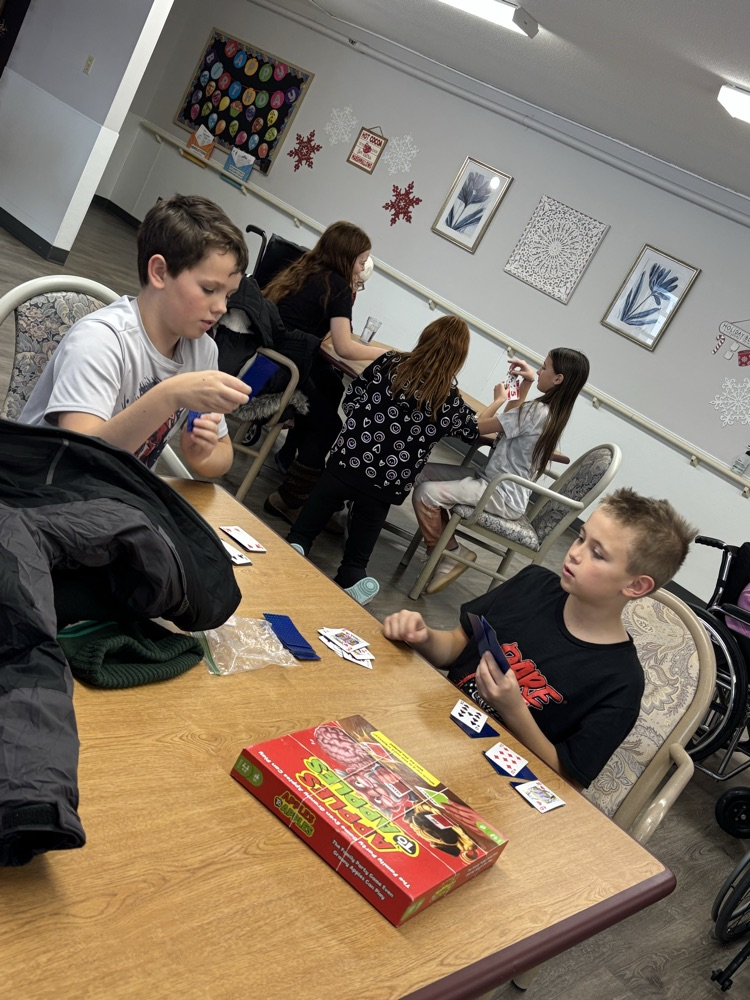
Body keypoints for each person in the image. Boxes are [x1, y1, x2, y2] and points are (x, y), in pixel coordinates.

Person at [384, 488, 697, 789]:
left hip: (492, 785)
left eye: (597, 554)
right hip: (433, 731)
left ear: (636, 586)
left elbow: (568, 780)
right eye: (580, 537)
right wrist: (423, 638)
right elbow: (455, 648)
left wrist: (514, 710)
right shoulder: (531, 584)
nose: (574, 554)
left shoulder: (620, 683)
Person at [19, 194, 251, 477]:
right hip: (40, 490)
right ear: (159, 272)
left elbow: (222, 453)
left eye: (229, 295)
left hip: (113, 498)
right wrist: (171, 394)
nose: (221, 307)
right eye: (208, 289)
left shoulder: (203, 351)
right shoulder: (100, 340)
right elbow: (82, 457)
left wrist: (201, 453)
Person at [286, 316, 503, 605]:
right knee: (358, 555)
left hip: (346, 463)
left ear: (425, 337)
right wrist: (502, 401)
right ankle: (353, 577)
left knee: (304, 529)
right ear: (458, 357)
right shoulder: (446, 398)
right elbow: (474, 429)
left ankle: (295, 548)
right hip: (385, 483)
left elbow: (352, 399)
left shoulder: (390, 363)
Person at [412, 347, 590, 594]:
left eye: (544, 368)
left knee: (425, 493)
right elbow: (511, 420)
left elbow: (477, 426)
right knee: (421, 472)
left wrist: (497, 399)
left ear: (558, 379)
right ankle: (446, 547)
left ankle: (448, 553)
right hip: (494, 483)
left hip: (500, 493)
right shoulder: (549, 413)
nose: (539, 371)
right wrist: (525, 383)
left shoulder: (536, 412)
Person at [261, 221, 387, 524]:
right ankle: (289, 499)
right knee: (329, 426)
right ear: (347, 258)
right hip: (282, 375)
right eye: (360, 261)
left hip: (263, 363)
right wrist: (390, 355)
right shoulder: (338, 286)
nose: (362, 268)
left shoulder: (303, 269)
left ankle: (294, 464)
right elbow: (343, 347)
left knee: (332, 387)